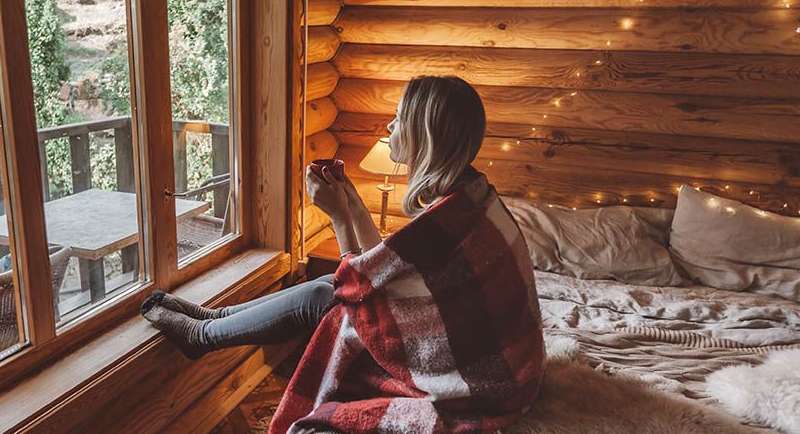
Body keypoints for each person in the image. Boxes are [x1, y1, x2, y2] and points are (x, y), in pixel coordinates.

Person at [140, 75, 541, 364]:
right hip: (482, 345)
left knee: (324, 295)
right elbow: (383, 263)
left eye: (399, 119)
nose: (389, 126)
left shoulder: (451, 216)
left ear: (424, 134)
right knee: (323, 286)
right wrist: (350, 201)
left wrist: (336, 215)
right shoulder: (466, 192)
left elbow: (359, 286)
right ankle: (217, 319)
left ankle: (201, 336)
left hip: (474, 367)